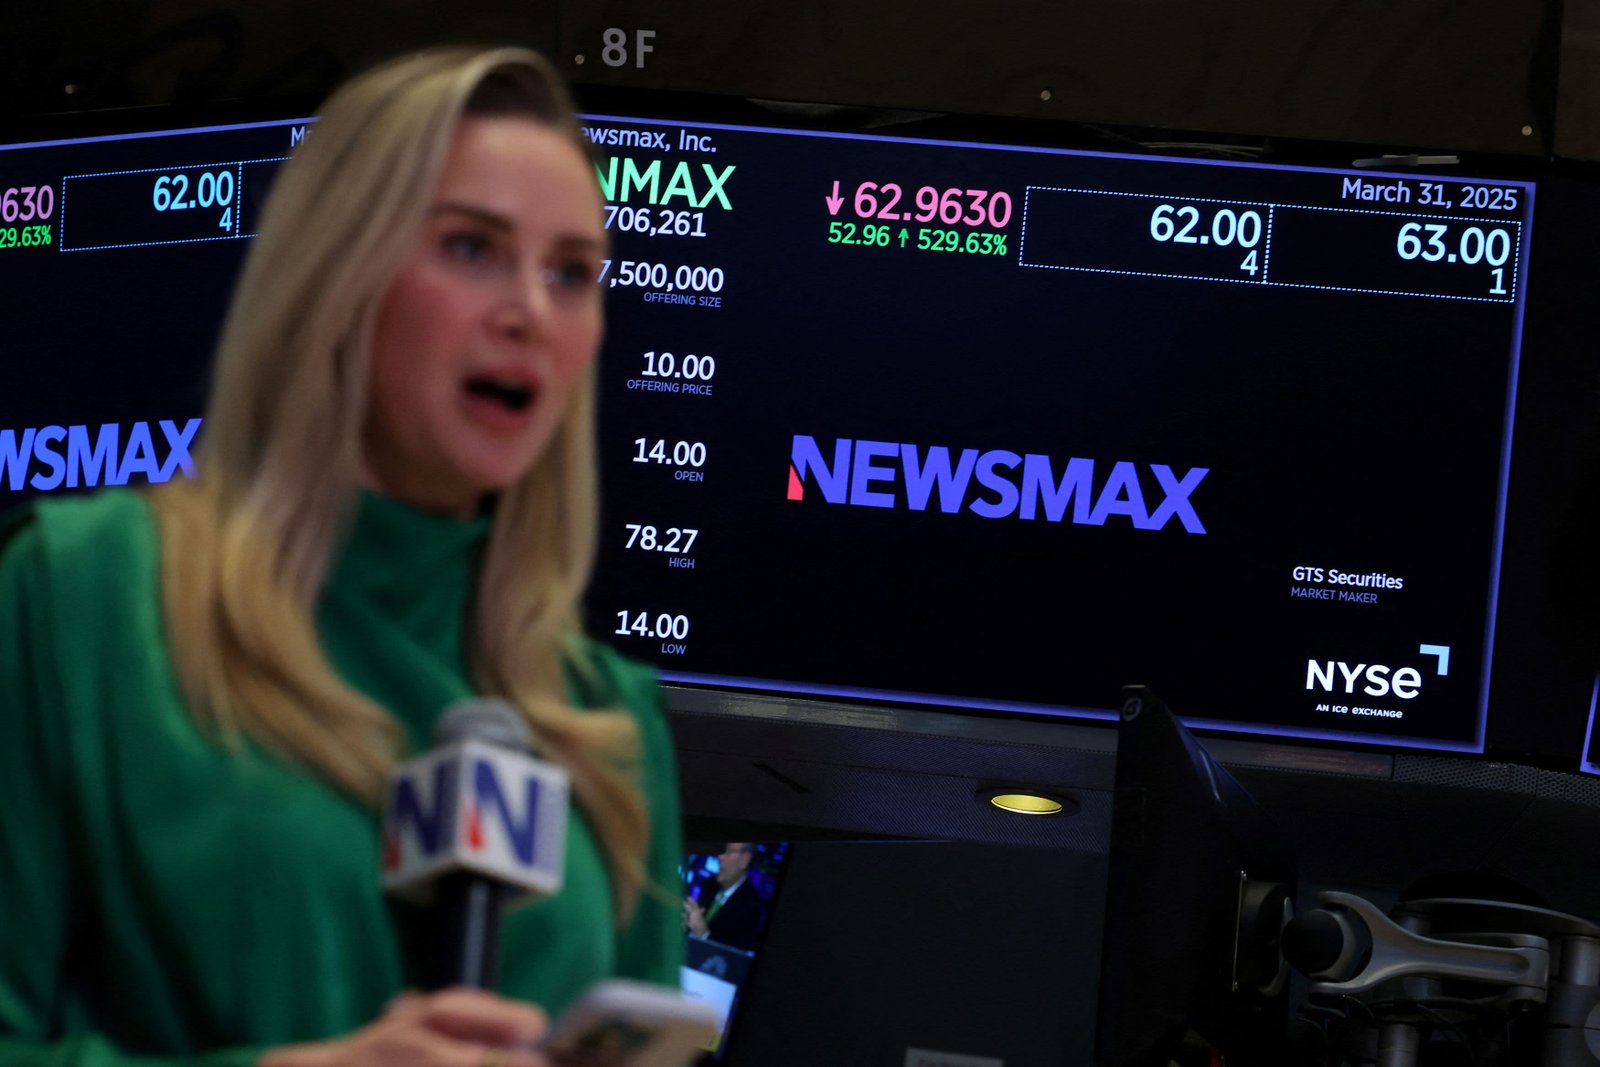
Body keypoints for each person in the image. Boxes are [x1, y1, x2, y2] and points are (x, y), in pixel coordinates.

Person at [0, 46, 682, 1067]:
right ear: (336, 269)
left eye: (573, 272)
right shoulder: (84, 593)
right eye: (470, 247)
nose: (530, 312)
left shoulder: (606, 716)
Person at [682, 845, 765, 952]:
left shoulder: (751, 907)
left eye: (729, 852)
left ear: (744, 860)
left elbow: (736, 959)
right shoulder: (709, 884)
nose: (720, 856)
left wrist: (703, 934)